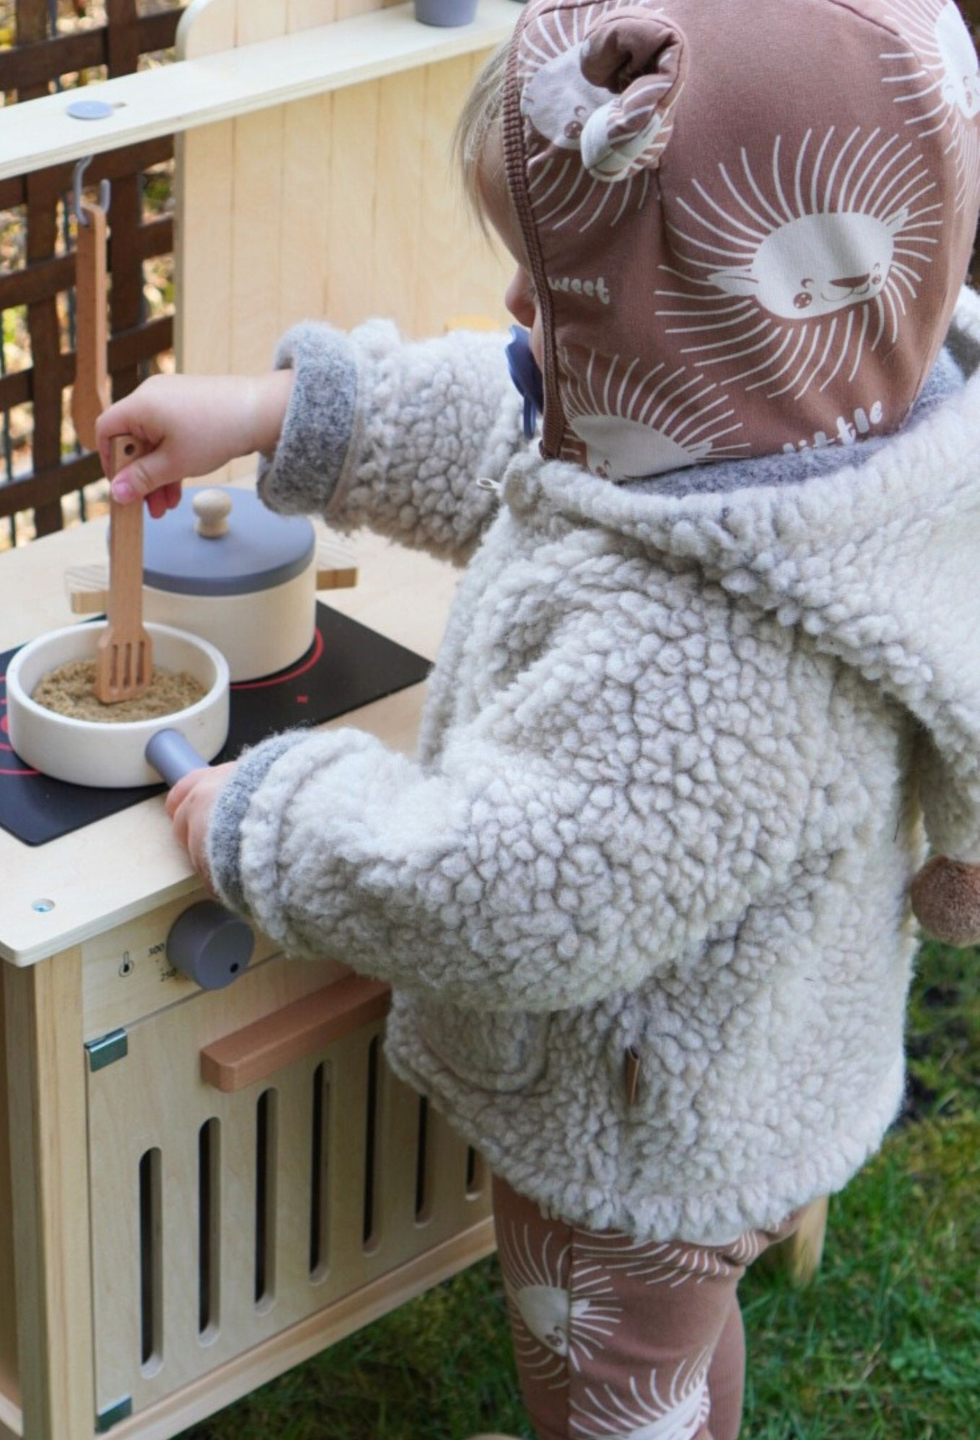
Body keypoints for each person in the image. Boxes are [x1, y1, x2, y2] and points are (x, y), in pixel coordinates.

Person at [95, 1, 980, 1435]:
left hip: (642, 1140)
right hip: (755, 1055)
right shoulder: (815, 423)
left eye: (561, 290)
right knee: (675, 1358)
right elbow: (519, 420)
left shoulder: (713, 650)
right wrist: (273, 413)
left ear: (702, 322)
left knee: (612, 1392)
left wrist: (265, 819)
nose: (518, 309)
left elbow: (504, 897)